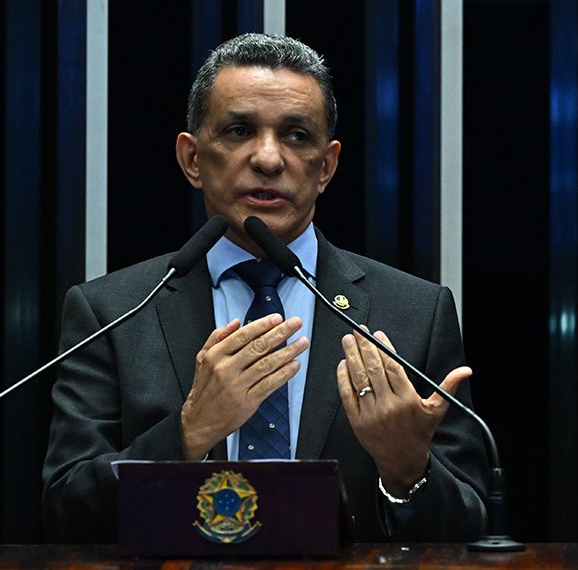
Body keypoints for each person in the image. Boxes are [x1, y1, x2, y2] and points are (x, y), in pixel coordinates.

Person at [42, 33, 489, 543]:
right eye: (239, 131)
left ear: (326, 166)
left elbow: (472, 528)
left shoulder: (414, 312)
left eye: (297, 135)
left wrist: (408, 469)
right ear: (192, 159)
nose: (269, 159)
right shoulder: (112, 311)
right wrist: (188, 432)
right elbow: (64, 513)